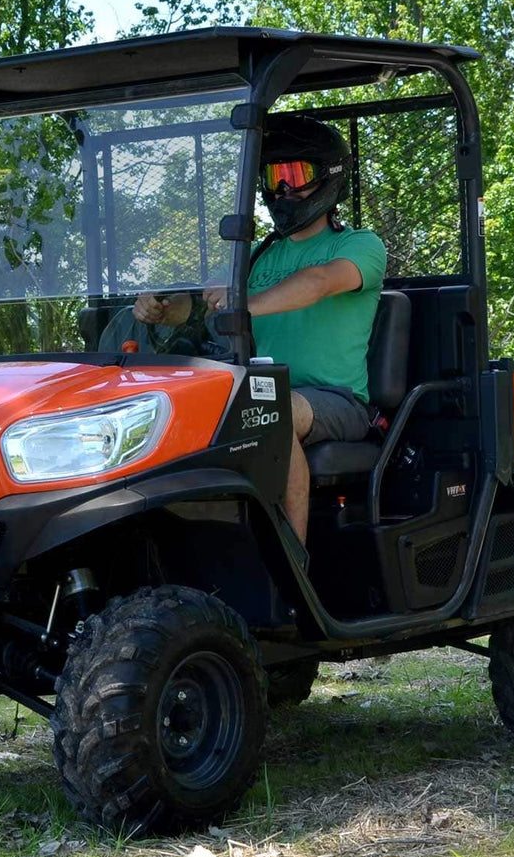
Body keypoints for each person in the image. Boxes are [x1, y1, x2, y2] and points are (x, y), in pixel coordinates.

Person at [136, 115, 387, 543]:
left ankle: (292, 562)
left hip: (336, 400)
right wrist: (162, 310)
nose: (283, 189)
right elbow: (204, 311)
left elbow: (319, 282)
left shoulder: (357, 245)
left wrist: (244, 303)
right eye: (274, 176)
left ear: (329, 177)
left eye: (295, 175)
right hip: (255, 387)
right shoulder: (254, 256)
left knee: (272, 411)